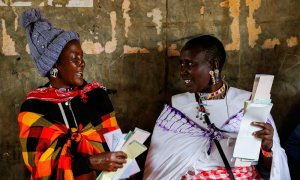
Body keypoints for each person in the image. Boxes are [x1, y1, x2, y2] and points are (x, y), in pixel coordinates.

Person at [144, 35, 290, 179]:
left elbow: (271, 170)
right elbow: (159, 167)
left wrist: (267, 148)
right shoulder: (176, 109)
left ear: (214, 64)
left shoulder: (248, 103)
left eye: (190, 64)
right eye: (181, 64)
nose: (182, 71)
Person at [18, 9, 127, 179]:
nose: (82, 63)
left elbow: (116, 144)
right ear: (55, 66)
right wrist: (90, 162)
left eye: (82, 57)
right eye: (74, 58)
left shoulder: (96, 95)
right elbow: (41, 168)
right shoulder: (34, 108)